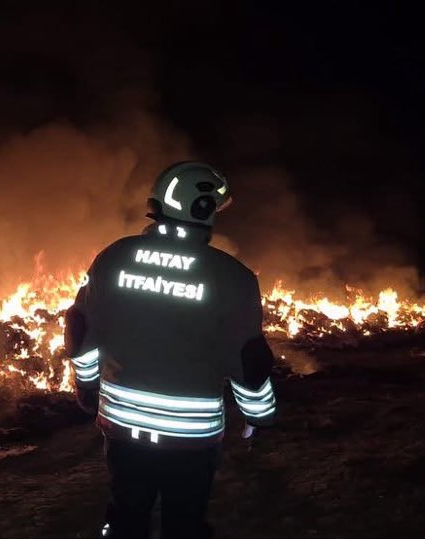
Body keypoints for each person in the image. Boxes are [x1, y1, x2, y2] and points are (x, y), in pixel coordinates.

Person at [64, 162, 277, 539]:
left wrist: (87, 388)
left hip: (123, 428)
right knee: (185, 525)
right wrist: (260, 416)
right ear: (204, 208)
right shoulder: (234, 277)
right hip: (191, 439)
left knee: (126, 518)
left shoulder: (114, 257)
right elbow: (248, 362)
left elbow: (81, 334)